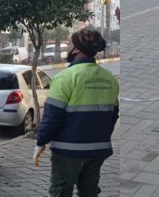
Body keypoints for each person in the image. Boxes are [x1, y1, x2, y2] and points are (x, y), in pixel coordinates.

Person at [33, 29, 119, 197]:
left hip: (68, 151)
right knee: (89, 192)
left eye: (71, 43)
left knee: (61, 191)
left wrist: (40, 141)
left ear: (77, 49)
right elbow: (113, 116)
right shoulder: (110, 78)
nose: (68, 46)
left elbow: (52, 117)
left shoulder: (65, 77)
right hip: (98, 150)